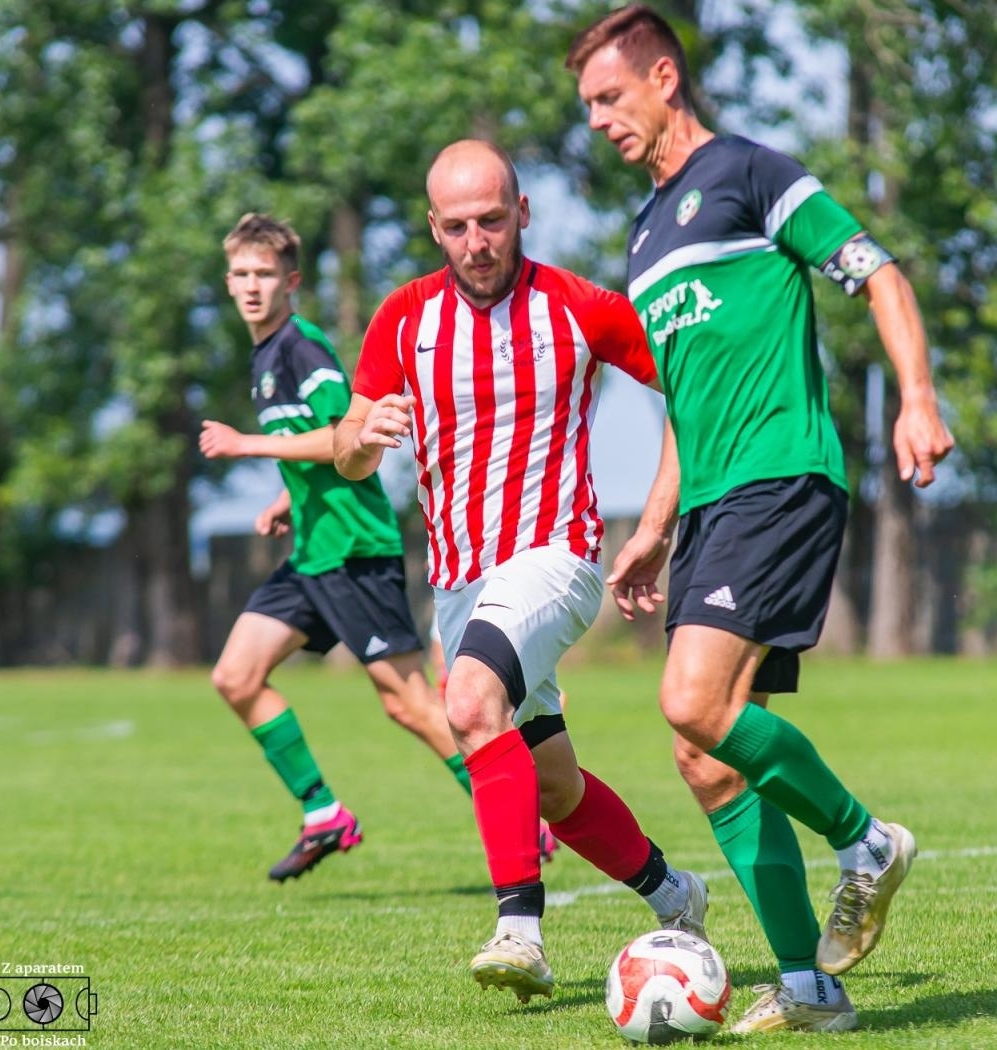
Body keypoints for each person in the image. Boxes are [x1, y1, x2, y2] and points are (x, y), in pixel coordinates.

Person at [567, 5, 955, 1034]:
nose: (598, 121)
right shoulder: (645, 235)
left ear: (662, 76)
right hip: (708, 503)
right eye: (588, 107)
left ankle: (865, 842)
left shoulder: (749, 173)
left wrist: (916, 397)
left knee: (688, 703)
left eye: (609, 97)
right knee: (705, 756)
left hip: (781, 477)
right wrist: (652, 525)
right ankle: (812, 987)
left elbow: (879, 275)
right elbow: (683, 406)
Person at [333, 139, 707, 1004]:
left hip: (554, 560)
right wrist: (360, 439)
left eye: (492, 220)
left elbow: (693, 389)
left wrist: (658, 520)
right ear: (433, 228)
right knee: (553, 785)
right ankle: (673, 895)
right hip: (459, 588)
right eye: (457, 226)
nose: (477, 241)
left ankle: (520, 931)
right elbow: (353, 452)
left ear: (523, 213)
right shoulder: (402, 319)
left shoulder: (581, 308)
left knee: (468, 701)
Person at [202, 213, 471, 883]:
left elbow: (350, 437)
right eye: (241, 274)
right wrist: (286, 499)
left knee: (408, 703)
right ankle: (323, 812)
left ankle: (517, 820)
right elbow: (316, 451)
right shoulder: (264, 355)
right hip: (314, 552)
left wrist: (248, 445)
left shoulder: (302, 349)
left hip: (355, 550)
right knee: (235, 677)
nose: (252, 286)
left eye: (265, 274)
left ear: (291, 281)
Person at [429, 617, 559, 862]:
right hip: (451, 590)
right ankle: (523, 837)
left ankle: (529, 830)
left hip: (490, 614)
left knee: (558, 791)